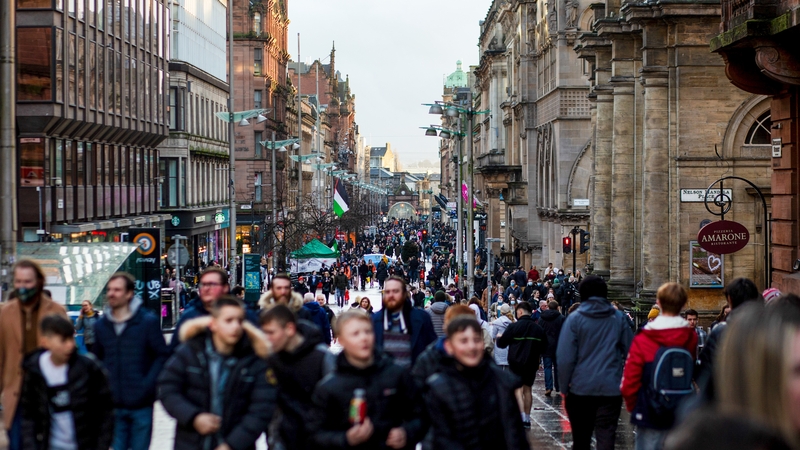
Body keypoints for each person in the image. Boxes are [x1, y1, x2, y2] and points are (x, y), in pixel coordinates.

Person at [158, 296, 275, 450]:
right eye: (229, 320)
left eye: (240, 321)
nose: (235, 326)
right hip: (191, 442)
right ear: (213, 324)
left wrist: (233, 444)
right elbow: (167, 389)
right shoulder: (190, 351)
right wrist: (193, 417)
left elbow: (262, 409)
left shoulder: (254, 360)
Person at [308, 310, 424, 449]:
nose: (364, 338)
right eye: (355, 334)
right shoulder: (329, 387)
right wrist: (345, 439)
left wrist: (407, 433)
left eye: (368, 332)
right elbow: (313, 435)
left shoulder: (396, 375)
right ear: (341, 340)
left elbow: (421, 415)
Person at [424, 317, 529, 450]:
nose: (472, 347)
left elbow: (515, 434)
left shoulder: (501, 382)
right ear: (449, 346)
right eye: (463, 341)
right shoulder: (438, 387)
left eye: (476, 340)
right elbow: (438, 438)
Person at [94, 272, 169, 450]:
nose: (111, 293)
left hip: (141, 404)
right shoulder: (101, 326)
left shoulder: (147, 322)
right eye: (110, 290)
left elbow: (162, 355)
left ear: (129, 294)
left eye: (117, 290)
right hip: (113, 404)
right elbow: (97, 360)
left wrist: (148, 384)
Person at [557, 275, 633, 450]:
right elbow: (631, 352)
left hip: (580, 389)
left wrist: (564, 387)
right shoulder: (618, 319)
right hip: (610, 389)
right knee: (606, 437)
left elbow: (564, 358)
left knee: (581, 440)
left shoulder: (574, 319)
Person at [0, 260, 68, 450]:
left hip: (49, 393)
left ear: (39, 282)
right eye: (18, 281)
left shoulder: (56, 311)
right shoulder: (5, 313)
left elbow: (68, 354)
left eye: (27, 282)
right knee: (17, 444)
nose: (22, 287)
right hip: (17, 395)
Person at [620, 282, 697, 449]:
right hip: (681, 408)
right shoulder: (690, 336)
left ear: (659, 303)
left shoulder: (644, 337)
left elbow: (630, 379)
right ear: (683, 304)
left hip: (650, 408)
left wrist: (635, 406)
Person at [20, 314, 114, 450]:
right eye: (63, 340)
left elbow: (105, 411)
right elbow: (28, 416)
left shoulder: (89, 368)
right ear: (45, 342)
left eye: (71, 338)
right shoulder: (35, 370)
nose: (70, 345)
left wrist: (101, 445)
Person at [261, 305, 335, 450]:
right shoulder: (271, 361)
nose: (267, 338)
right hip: (284, 441)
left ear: (289, 329)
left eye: (271, 332)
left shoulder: (322, 358)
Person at [696, 278, 761, 401]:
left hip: (726, 401)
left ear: (729, 299)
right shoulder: (768, 329)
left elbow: (704, 373)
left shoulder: (720, 331)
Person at [497, 301, 548, 428]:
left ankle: (520, 417)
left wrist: (500, 337)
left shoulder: (514, 327)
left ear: (520, 312)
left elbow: (501, 343)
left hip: (515, 363)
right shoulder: (538, 329)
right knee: (528, 389)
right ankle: (527, 418)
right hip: (531, 363)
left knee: (518, 390)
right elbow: (545, 347)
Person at [373, 276, 437, 367]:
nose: (391, 295)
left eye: (395, 291)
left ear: (404, 294)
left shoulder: (422, 318)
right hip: (384, 379)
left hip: (414, 377)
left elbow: (432, 350)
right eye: (387, 292)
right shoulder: (375, 321)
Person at [538, 300, 564, 396]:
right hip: (558, 345)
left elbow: (540, 331)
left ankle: (548, 387)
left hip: (546, 345)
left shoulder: (542, 318)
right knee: (557, 367)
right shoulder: (561, 318)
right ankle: (558, 386)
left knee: (547, 367)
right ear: (557, 308)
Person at [492, 304, 515, 370]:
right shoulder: (513, 321)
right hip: (510, 347)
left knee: (498, 370)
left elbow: (493, 335)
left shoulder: (497, 322)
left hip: (499, 347)